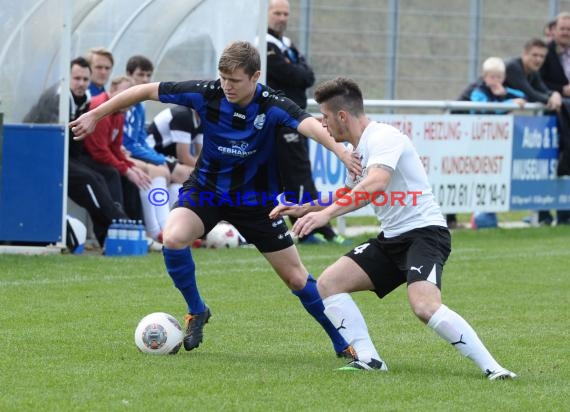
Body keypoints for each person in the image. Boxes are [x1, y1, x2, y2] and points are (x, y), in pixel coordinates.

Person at [70, 41, 360, 358]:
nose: (227, 86)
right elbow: (145, 90)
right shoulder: (208, 93)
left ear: (255, 76)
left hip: (256, 202)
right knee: (174, 237)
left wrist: (342, 152)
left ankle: (341, 343)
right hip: (206, 191)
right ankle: (197, 310)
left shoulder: (272, 104)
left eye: (234, 80)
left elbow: (309, 126)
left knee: (295, 277)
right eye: (223, 78)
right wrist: (96, 113)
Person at [271, 77, 517, 380]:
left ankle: (495, 369)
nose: (322, 124)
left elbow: (375, 184)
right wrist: (304, 207)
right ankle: (370, 360)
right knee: (328, 284)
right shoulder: (359, 149)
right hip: (392, 239)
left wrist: (327, 217)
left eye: (324, 116)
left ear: (342, 116)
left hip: (425, 234)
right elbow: (349, 193)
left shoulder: (384, 137)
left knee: (424, 306)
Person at [266, 0, 349, 245]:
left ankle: (317, 227)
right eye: (277, 13)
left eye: (286, 13)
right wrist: (296, 71)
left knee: (299, 172)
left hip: (296, 116)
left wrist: (296, 71)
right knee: (296, 173)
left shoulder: (286, 44)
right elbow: (292, 74)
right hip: (282, 121)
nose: (282, 18)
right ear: (267, 14)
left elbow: (307, 75)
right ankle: (310, 230)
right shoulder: (265, 44)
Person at [22, 57, 128, 248]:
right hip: (40, 157)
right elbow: (49, 140)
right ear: (66, 77)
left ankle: (113, 231)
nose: (81, 84)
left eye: (85, 80)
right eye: (76, 78)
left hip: (67, 155)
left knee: (106, 173)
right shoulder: (57, 98)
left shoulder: (85, 99)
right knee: (88, 179)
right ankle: (117, 224)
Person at [122, 55, 194, 237]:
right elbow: (129, 143)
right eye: (141, 75)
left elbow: (139, 139)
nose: (146, 80)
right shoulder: (125, 103)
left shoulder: (140, 106)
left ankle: (176, 228)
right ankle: (158, 232)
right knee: (164, 171)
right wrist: (159, 160)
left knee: (183, 174)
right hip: (128, 155)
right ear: (129, 75)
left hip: (143, 153)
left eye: (148, 75)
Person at [505, 37, 569, 225]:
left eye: (542, 56)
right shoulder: (513, 67)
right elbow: (530, 94)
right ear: (524, 54)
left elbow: (542, 90)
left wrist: (554, 94)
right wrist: (553, 97)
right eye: (534, 55)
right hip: (470, 116)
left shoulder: (533, 72)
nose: (538, 60)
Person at [81, 76, 149, 224]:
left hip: (98, 156)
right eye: (125, 93)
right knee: (113, 173)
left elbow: (115, 148)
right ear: (112, 90)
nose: (128, 99)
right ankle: (118, 223)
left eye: (132, 96)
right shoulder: (100, 108)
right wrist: (126, 170)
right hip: (83, 155)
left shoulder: (119, 112)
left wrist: (130, 167)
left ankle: (138, 228)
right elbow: (99, 152)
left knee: (132, 179)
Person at [538, 12, 570, 224]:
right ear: (554, 30)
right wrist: (561, 90)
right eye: (563, 29)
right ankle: (543, 214)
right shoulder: (543, 53)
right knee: (546, 165)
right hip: (552, 117)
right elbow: (538, 82)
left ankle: (565, 213)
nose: (566, 33)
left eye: (569, 30)